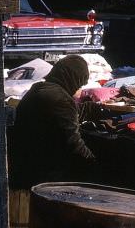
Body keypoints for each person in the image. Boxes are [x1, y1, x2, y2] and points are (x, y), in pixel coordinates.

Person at [9, 54, 96, 190]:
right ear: (74, 79)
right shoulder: (60, 100)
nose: (81, 88)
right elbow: (73, 144)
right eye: (81, 83)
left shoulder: (39, 89)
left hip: (23, 163)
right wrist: (94, 164)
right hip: (41, 174)